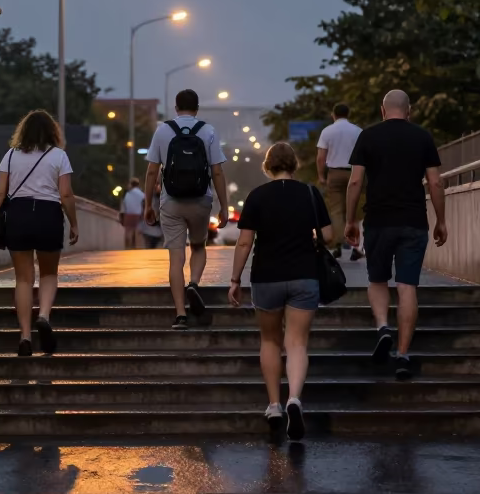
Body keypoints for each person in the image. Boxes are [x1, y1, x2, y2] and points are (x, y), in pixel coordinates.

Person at [228, 141, 331, 441]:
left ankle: (274, 405)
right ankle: (294, 399)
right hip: (304, 275)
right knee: (297, 342)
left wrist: (235, 279)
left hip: (267, 277)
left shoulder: (257, 196)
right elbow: (328, 235)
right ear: (294, 164)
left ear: (268, 165)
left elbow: (245, 242)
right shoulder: (310, 194)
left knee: (270, 341)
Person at [344, 90, 447, 380]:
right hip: (413, 221)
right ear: (409, 110)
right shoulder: (423, 137)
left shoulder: (368, 136)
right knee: (407, 286)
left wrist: (351, 220)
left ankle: (382, 327)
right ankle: (402, 354)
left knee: (377, 279)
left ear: (382, 110)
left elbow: (354, 181)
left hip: (378, 220)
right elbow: (436, 184)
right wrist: (441, 220)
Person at [0, 109, 79, 357]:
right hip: (48, 214)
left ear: (23, 131)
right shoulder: (59, 156)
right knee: (49, 274)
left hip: (18, 215)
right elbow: (66, 195)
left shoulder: (10, 156)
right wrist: (74, 223)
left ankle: (25, 336)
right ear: (52, 132)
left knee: (23, 279)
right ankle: (44, 316)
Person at [144, 88, 229, 329]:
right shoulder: (208, 131)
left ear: (176, 107)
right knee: (199, 246)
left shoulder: (162, 131)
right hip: (201, 200)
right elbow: (217, 171)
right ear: (197, 108)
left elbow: (152, 171)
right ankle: (193, 283)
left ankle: (180, 314)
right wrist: (224, 206)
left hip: (171, 202)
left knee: (175, 258)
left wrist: (147, 205)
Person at [316, 102, 363, 259]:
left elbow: (321, 158)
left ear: (333, 115)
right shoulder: (358, 131)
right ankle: (356, 247)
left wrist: (322, 176)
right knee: (355, 209)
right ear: (348, 114)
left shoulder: (327, 131)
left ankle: (338, 244)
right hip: (355, 173)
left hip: (334, 174)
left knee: (336, 210)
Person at [119, 177, 145, 249]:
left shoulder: (127, 194)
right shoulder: (142, 194)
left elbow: (123, 206)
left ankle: (127, 247)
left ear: (131, 184)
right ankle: (136, 247)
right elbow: (144, 205)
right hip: (138, 215)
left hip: (128, 214)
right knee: (137, 231)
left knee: (128, 231)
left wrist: (121, 216)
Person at [139, 178, 164, 249]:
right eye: (155, 185)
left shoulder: (162, 196)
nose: (156, 186)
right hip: (149, 229)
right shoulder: (147, 198)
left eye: (158, 184)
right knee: (150, 248)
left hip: (159, 229)